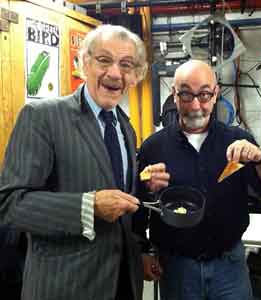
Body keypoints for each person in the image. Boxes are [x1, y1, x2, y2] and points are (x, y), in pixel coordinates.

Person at [0, 24, 169, 300]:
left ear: (135, 76)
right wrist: (87, 206)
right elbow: (10, 204)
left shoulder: (125, 126)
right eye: (104, 60)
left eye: (126, 65)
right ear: (84, 63)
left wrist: (142, 185)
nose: (115, 73)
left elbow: (108, 186)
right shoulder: (42, 117)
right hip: (65, 286)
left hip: (122, 283)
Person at [133, 60, 261, 300]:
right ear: (174, 95)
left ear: (215, 94)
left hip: (229, 266)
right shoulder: (153, 147)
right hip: (177, 268)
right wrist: (143, 251)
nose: (196, 105)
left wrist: (260, 159)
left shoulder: (238, 141)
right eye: (186, 94)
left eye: (205, 94)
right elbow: (137, 205)